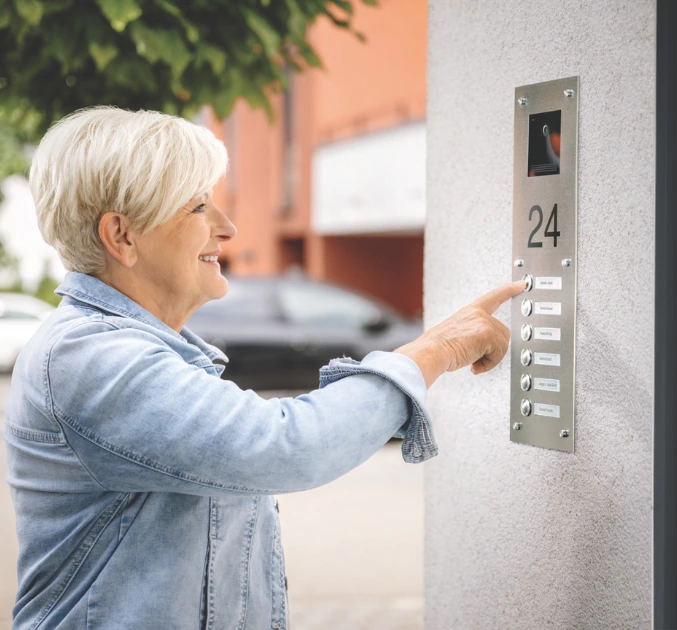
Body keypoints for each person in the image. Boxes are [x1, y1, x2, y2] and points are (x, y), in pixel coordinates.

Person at [3, 106, 524, 630]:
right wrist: (435, 352)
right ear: (122, 236)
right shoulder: (93, 357)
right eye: (199, 208)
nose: (226, 228)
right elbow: (284, 446)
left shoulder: (133, 350)